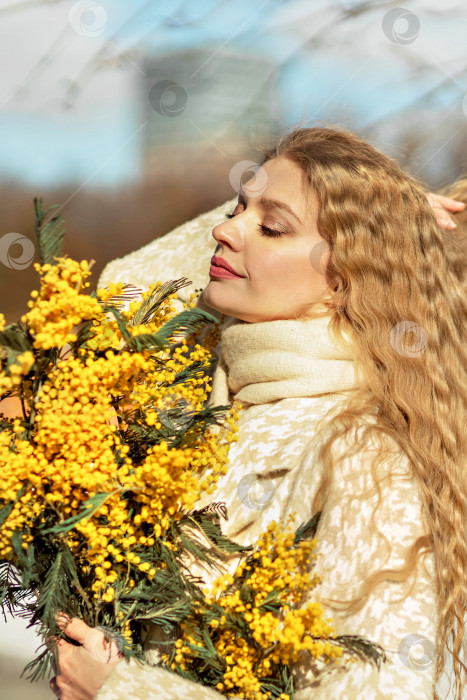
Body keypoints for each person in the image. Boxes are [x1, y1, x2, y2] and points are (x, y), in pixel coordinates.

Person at [50, 126, 466, 699]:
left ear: (346, 277)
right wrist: (372, 208)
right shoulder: (208, 393)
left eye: (271, 227)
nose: (223, 230)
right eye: (234, 207)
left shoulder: (366, 454)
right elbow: (124, 297)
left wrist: (123, 690)